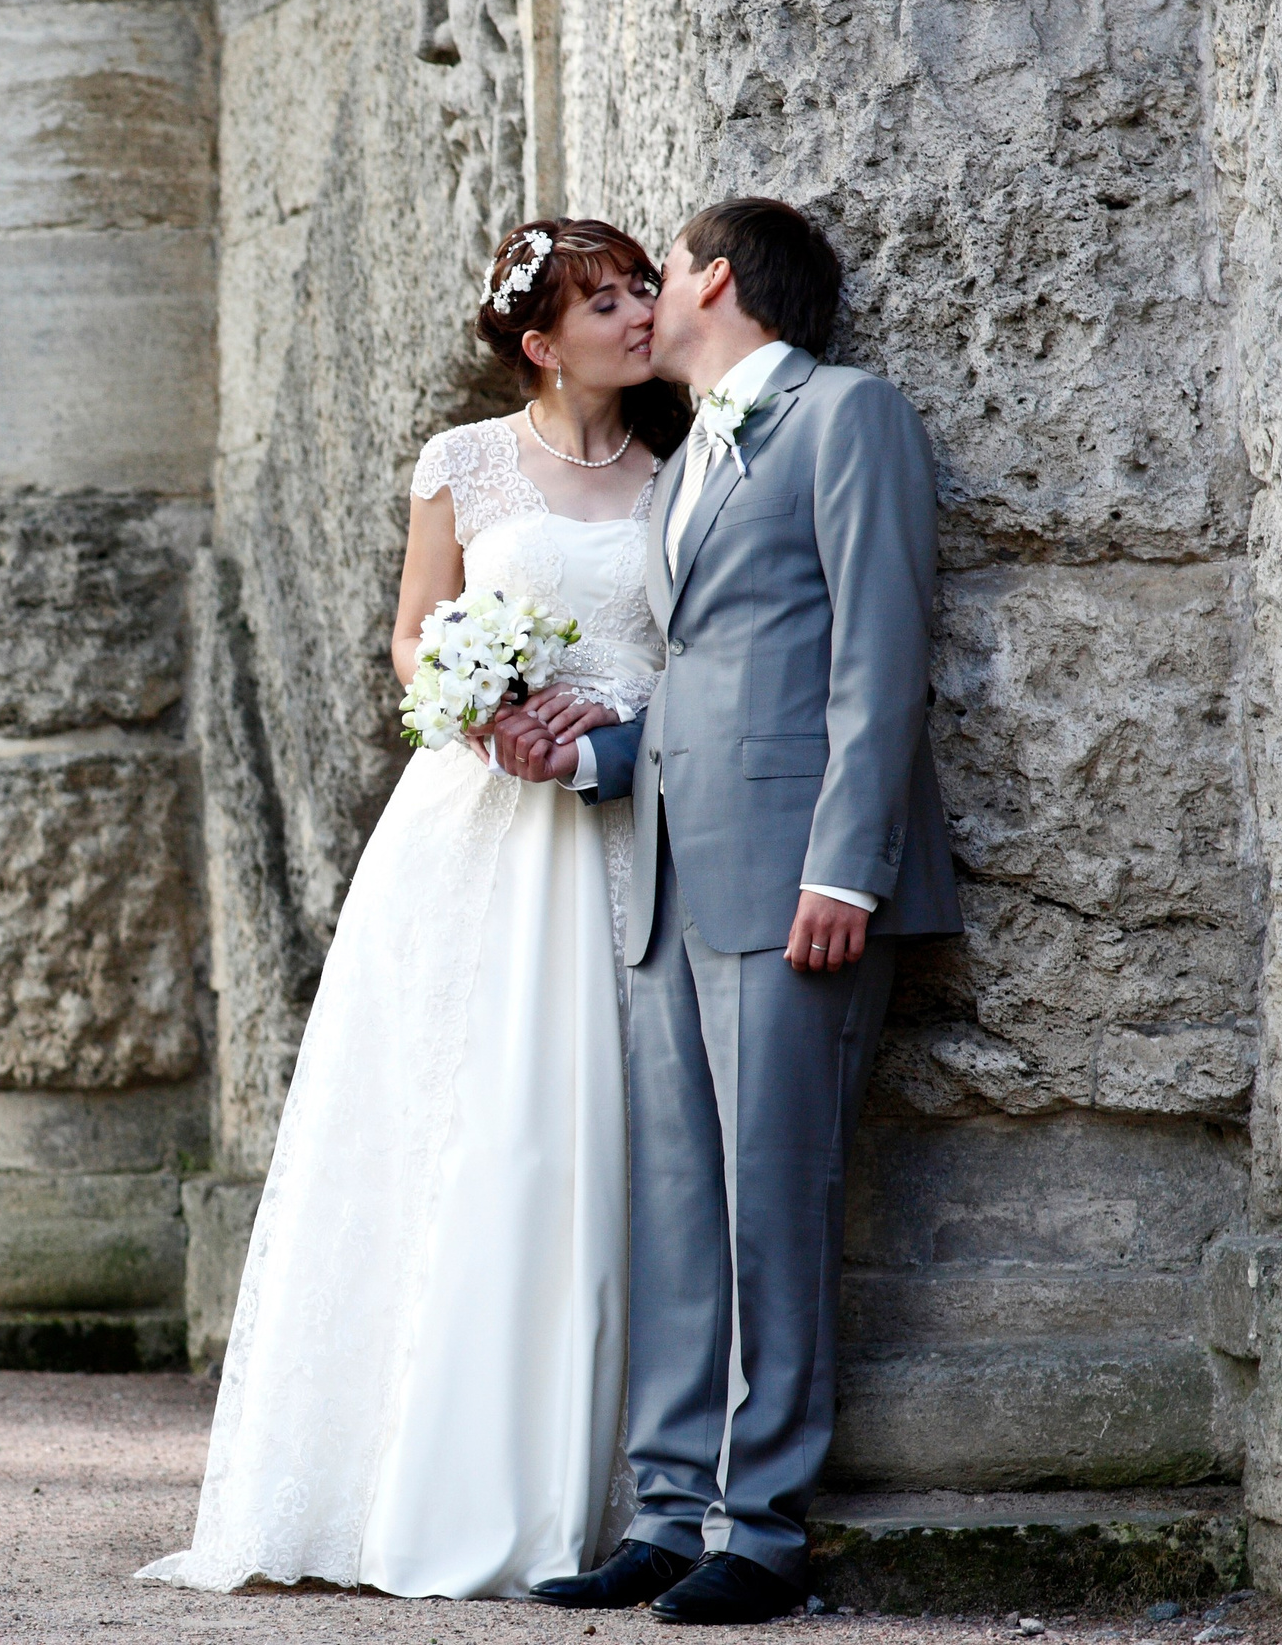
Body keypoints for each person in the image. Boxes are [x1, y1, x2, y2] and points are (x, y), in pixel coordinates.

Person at [136, 219, 688, 1600]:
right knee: (460, 1126)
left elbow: (696, 649)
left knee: (597, 1137)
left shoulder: (679, 474)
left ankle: (610, 1486)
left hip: (618, 823)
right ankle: (407, 1477)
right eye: (603, 300)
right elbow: (415, 631)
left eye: (640, 289)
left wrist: (610, 727)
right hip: (478, 828)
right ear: (538, 342)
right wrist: (485, 709)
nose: (636, 313)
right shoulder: (461, 464)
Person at [510, 197, 962, 1624]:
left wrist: (848, 866)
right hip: (666, 877)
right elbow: (705, 673)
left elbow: (878, 658)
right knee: (678, 1214)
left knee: (776, 1206)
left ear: (715, 275)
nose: (647, 292)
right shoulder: (686, 456)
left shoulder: (847, 417)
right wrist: (589, 754)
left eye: (664, 265)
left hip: (793, 886)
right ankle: (666, 1508)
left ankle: (761, 1530)